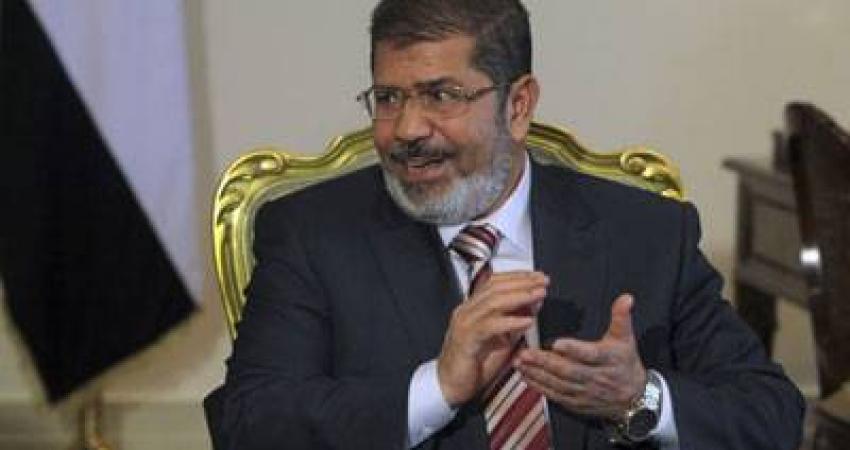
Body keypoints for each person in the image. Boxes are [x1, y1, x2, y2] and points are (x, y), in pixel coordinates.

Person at [205, 0, 805, 448]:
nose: (406, 129)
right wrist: (435, 389)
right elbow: (247, 422)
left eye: (441, 95)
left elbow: (772, 413)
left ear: (518, 106)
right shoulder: (312, 236)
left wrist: (637, 397)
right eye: (387, 98)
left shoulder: (645, 233)